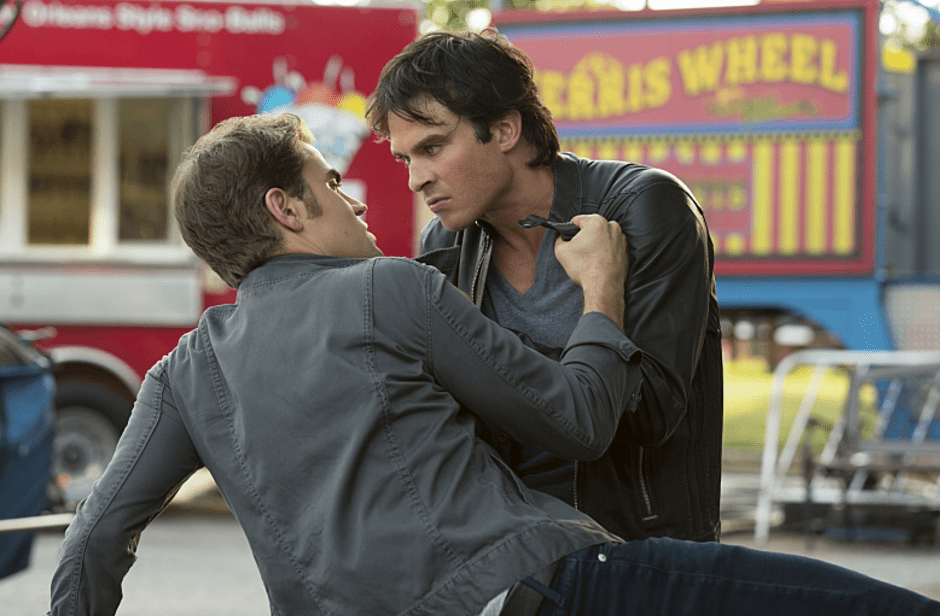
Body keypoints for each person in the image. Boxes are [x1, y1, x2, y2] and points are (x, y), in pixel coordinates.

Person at [48, 114, 940, 616]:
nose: (359, 199)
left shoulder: (183, 371)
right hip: (535, 591)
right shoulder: (392, 288)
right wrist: (600, 292)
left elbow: (91, 543)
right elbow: (581, 420)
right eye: (331, 183)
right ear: (286, 208)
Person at [367, 29, 724, 543]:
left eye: (433, 147)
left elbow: (650, 413)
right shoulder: (446, 243)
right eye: (406, 159)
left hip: (640, 547)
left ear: (505, 130)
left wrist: (482, 355)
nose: (415, 179)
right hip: (515, 551)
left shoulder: (645, 208)